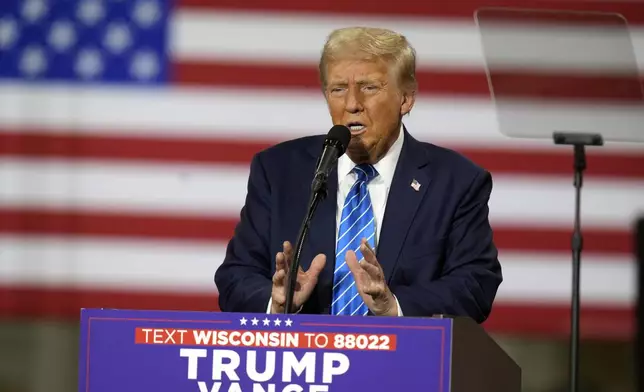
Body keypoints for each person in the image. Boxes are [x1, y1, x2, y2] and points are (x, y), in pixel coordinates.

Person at [214, 26, 502, 322]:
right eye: (338, 89)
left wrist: (393, 307)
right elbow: (236, 276)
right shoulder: (278, 171)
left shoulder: (455, 182)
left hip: (401, 361)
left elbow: (475, 283)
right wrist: (279, 304)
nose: (352, 104)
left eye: (369, 87)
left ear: (406, 99)